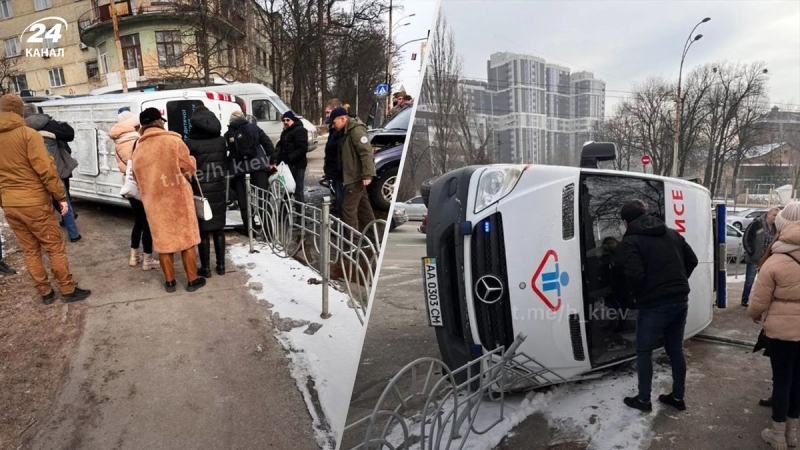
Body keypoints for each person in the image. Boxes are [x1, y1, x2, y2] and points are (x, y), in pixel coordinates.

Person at [0, 94, 91, 303]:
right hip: (33, 202)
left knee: (30, 250)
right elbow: (46, 170)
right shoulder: (28, 135)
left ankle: (45, 293)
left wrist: (4, 201)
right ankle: (67, 290)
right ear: (20, 111)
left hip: (10, 204)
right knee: (53, 246)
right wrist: (60, 197)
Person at [616, 200, 698, 412]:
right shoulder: (671, 233)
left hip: (653, 305)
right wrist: (678, 283)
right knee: (675, 350)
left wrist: (639, 296)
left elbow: (634, 275)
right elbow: (693, 260)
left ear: (626, 222)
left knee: (644, 352)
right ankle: (678, 397)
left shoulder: (630, 241)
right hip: (680, 301)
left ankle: (643, 400)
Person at [132, 108, 205, 293]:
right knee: (187, 240)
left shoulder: (138, 148)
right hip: (178, 199)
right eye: (162, 120)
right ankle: (192, 280)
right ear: (158, 122)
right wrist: (193, 161)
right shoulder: (173, 141)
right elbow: (188, 169)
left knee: (164, 243)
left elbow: (136, 176)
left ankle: (170, 282)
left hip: (154, 203)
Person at [748, 202, 800, 450]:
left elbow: (758, 302)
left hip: (781, 331)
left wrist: (755, 314)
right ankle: (793, 435)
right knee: (798, 380)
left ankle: (777, 435)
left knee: (782, 380)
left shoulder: (776, 259)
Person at [23, 107, 82, 243]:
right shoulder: (51, 126)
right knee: (64, 202)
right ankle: (73, 235)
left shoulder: (22, 131)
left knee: (43, 206)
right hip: (57, 173)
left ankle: (47, 237)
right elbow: (68, 136)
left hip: (35, 175)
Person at [111, 110, 159, 271]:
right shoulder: (137, 140)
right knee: (147, 223)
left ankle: (133, 256)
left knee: (138, 220)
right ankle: (147, 259)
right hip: (142, 185)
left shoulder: (117, 142)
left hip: (128, 185)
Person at [186, 106, 228, 277]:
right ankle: (221, 266)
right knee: (218, 229)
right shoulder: (221, 140)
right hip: (219, 188)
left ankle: (206, 268)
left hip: (200, 190)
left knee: (203, 230)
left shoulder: (190, 142)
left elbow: (188, 168)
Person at [225, 111, 274, 236]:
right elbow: (267, 144)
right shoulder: (254, 128)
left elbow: (231, 153)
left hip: (240, 170)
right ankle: (268, 231)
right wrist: (272, 160)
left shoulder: (229, 134)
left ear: (231, 121)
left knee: (244, 201)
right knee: (263, 199)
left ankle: (249, 230)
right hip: (259, 167)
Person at [328, 106, 376, 232]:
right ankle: (373, 236)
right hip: (352, 175)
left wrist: (367, 174)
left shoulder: (356, 130)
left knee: (348, 209)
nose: (333, 126)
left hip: (355, 176)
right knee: (363, 208)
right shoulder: (345, 130)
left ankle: (352, 242)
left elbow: (366, 152)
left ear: (343, 119)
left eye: (334, 122)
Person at [742, 207, 780, 306]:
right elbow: (746, 238)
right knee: (749, 281)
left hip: (767, 260)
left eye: (777, 216)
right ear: (768, 214)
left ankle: (761, 301)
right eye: (774, 215)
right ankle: (744, 300)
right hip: (754, 259)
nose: (775, 218)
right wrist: (752, 252)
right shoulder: (757, 224)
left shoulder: (776, 227)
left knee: (765, 282)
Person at [276, 110, 308, 205]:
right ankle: (284, 215)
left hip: (298, 165)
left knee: (298, 191)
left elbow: (302, 149)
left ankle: (300, 216)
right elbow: (281, 148)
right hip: (287, 165)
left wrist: (289, 158)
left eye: (288, 120)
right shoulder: (285, 132)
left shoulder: (300, 130)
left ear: (293, 120)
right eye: (283, 120)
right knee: (286, 190)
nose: (285, 122)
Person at [323, 99, 346, 217]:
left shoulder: (341, 130)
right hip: (335, 173)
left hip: (342, 173)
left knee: (343, 203)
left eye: (328, 112)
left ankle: (345, 230)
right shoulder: (334, 129)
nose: (327, 115)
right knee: (338, 200)